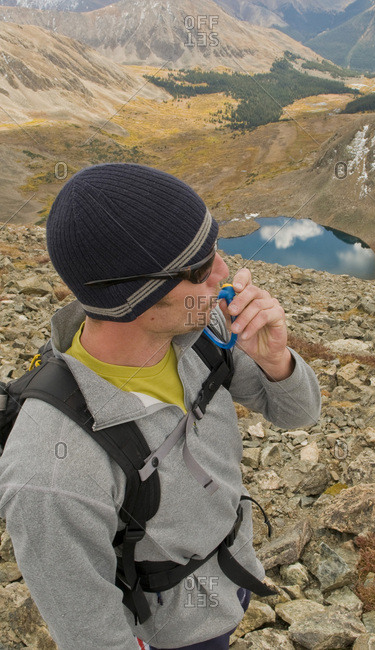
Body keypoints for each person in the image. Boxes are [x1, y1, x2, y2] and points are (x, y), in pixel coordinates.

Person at [0, 164, 321, 650]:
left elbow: (299, 414)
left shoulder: (201, 329)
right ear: (136, 297)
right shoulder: (51, 469)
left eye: (213, 246)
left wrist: (276, 360)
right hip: (171, 632)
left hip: (231, 579)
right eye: (198, 268)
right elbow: (92, 635)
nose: (223, 272)